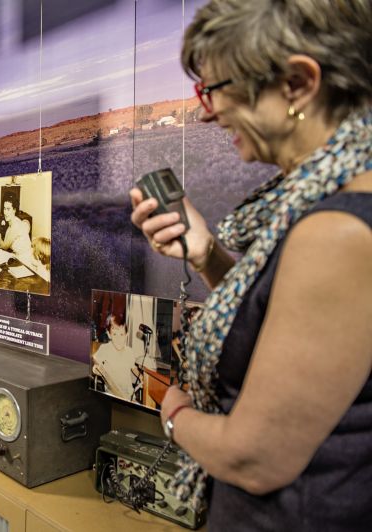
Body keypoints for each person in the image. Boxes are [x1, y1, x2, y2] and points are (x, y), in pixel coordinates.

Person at [129, 1, 372, 529]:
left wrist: (172, 410)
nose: (208, 112)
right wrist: (208, 255)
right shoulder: (322, 201)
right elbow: (280, 328)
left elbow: (253, 458)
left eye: (214, 89)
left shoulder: (339, 231)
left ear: (298, 83)